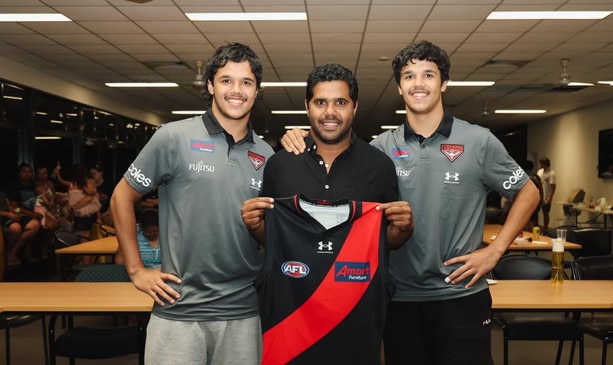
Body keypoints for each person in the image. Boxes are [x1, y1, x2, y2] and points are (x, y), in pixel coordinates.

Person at [281, 40, 539, 364]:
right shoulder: (379, 149)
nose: (418, 83)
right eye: (409, 76)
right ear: (400, 87)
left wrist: (495, 251)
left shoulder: (478, 141)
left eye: (428, 75)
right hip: (398, 297)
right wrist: (301, 137)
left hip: (461, 295)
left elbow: (529, 192)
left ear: (443, 83)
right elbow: (334, 181)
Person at [110, 42, 273, 365]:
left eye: (246, 82)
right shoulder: (173, 137)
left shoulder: (267, 155)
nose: (236, 90)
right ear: (210, 85)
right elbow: (121, 197)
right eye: (226, 80)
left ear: (257, 91)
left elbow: (269, 235)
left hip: (243, 311)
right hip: (179, 310)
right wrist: (136, 270)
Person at [241, 63, 413, 364]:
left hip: (356, 325)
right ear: (308, 107)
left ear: (355, 108)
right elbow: (274, 241)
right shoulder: (280, 165)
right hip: (291, 325)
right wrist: (254, 225)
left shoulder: (380, 166)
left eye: (340, 102)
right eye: (320, 102)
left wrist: (401, 231)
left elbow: (382, 241)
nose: (330, 112)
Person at [3, 163, 43, 265]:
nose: (27, 174)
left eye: (30, 172)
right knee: (17, 228)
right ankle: (12, 252)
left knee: (37, 225)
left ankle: (18, 251)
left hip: (29, 215)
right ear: (20, 173)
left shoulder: (33, 186)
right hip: (17, 213)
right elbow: (15, 207)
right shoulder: (15, 186)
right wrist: (17, 215)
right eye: (24, 172)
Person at [537, 157, 556, 232]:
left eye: (541, 163)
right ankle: (536, 227)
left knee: (545, 213)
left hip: (546, 196)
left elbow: (553, 187)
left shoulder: (551, 173)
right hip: (538, 195)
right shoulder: (539, 172)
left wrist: (550, 197)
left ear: (545, 164)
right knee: (536, 212)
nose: (540, 165)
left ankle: (545, 229)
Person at [524, 160, 544, 231]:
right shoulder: (536, 177)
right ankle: (532, 236)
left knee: (522, 219)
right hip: (535, 200)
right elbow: (541, 189)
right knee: (533, 220)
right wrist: (541, 200)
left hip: (524, 200)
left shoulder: (522, 176)